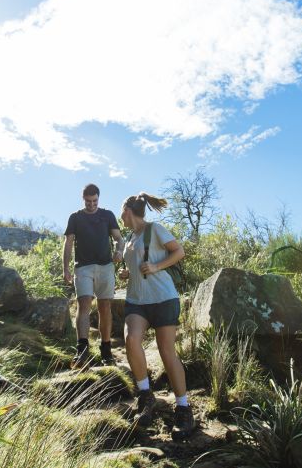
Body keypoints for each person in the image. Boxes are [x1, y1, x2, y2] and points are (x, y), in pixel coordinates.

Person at [118, 192, 195, 441]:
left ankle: (183, 408)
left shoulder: (155, 229)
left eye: (122, 212)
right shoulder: (130, 238)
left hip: (163, 299)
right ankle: (145, 395)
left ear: (128, 210)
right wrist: (128, 274)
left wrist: (155, 267)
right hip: (136, 301)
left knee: (166, 352)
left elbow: (179, 252)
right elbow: (137, 265)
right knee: (131, 340)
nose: (121, 217)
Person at [63, 183, 124, 368]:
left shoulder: (107, 215)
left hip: (105, 266)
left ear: (99, 198)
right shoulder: (75, 217)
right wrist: (65, 268)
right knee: (84, 304)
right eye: (88, 202)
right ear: (83, 199)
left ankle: (106, 351)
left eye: (95, 201)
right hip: (83, 267)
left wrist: (119, 252)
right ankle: (82, 351)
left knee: (105, 307)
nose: (92, 204)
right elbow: (68, 243)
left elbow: (119, 239)